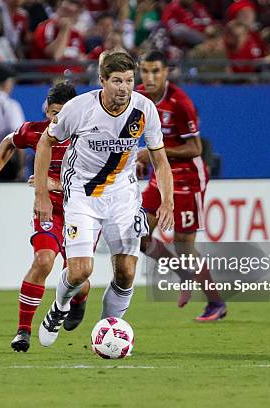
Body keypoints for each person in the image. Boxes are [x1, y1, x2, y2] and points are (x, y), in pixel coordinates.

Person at [33, 51, 174, 347]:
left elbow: (160, 161)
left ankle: (108, 334)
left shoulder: (144, 109)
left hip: (123, 196)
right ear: (102, 81)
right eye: (117, 81)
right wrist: (42, 194)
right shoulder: (79, 108)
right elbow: (45, 141)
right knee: (80, 270)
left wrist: (167, 200)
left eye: (129, 81)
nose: (124, 88)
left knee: (126, 272)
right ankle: (58, 308)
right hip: (83, 195)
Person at [0, 82, 91, 352]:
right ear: (46, 108)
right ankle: (23, 331)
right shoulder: (37, 131)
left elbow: (99, 180)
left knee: (76, 277)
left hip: (83, 210)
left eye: (62, 113)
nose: (55, 119)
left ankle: (79, 299)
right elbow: (8, 142)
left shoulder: (88, 136)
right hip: (49, 209)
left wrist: (54, 184)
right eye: (52, 112)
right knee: (43, 260)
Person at [137, 50, 226, 321]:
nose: (150, 77)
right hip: (160, 175)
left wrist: (154, 151)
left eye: (156, 71)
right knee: (138, 235)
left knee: (184, 246)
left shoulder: (180, 102)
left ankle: (215, 303)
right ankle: (181, 272)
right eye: (146, 71)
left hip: (188, 178)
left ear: (167, 72)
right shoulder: (137, 96)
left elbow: (195, 147)